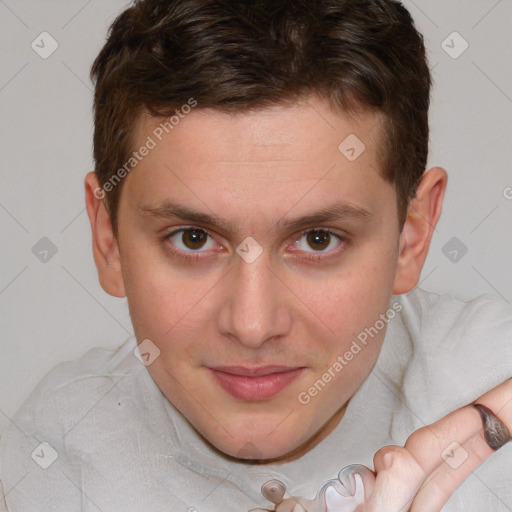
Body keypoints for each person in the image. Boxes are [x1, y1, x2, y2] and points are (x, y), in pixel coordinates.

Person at [1, 0, 511, 510]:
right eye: (193, 239)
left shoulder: (492, 387)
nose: (252, 325)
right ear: (108, 239)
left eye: (317, 239)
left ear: (411, 236)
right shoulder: (49, 463)